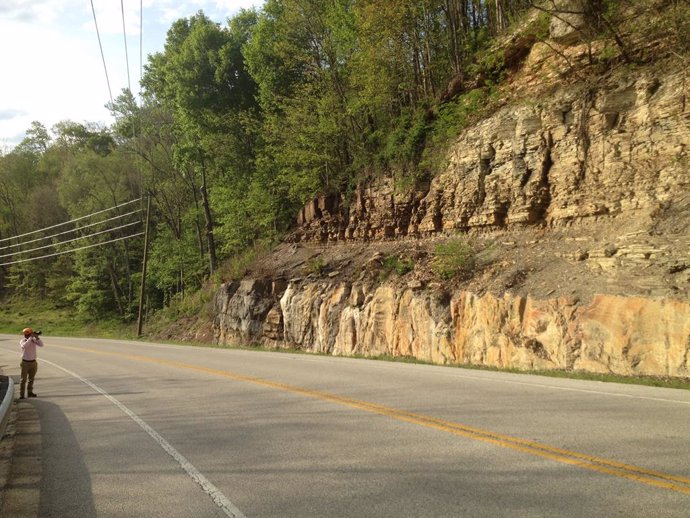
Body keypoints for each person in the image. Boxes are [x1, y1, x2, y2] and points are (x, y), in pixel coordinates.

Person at [19, 327, 43, 399]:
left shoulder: (33, 340)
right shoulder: (22, 341)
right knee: (23, 380)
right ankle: (22, 394)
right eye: (26, 334)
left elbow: (41, 345)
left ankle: (30, 393)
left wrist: (37, 337)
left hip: (33, 362)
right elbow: (25, 346)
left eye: (28, 334)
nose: (26, 335)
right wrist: (30, 338)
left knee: (31, 379)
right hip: (25, 363)